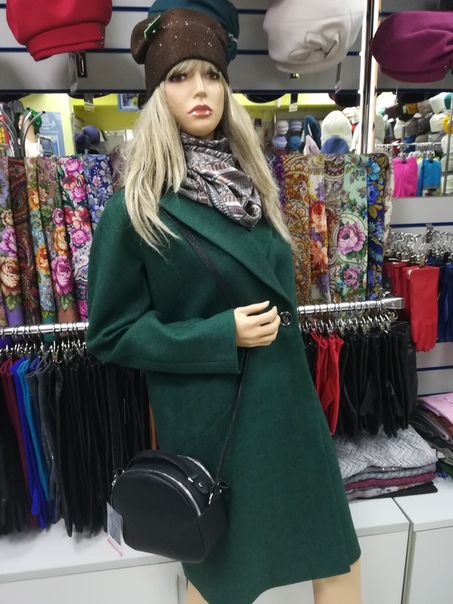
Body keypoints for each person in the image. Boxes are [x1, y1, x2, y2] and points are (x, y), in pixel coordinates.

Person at [86, 4, 362, 604]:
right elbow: (109, 333)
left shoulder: (251, 182)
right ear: (157, 94)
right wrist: (218, 334)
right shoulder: (135, 209)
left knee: (338, 559)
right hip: (218, 421)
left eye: (211, 74)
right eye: (179, 76)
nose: (200, 89)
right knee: (225, 581)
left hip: (288, 408)